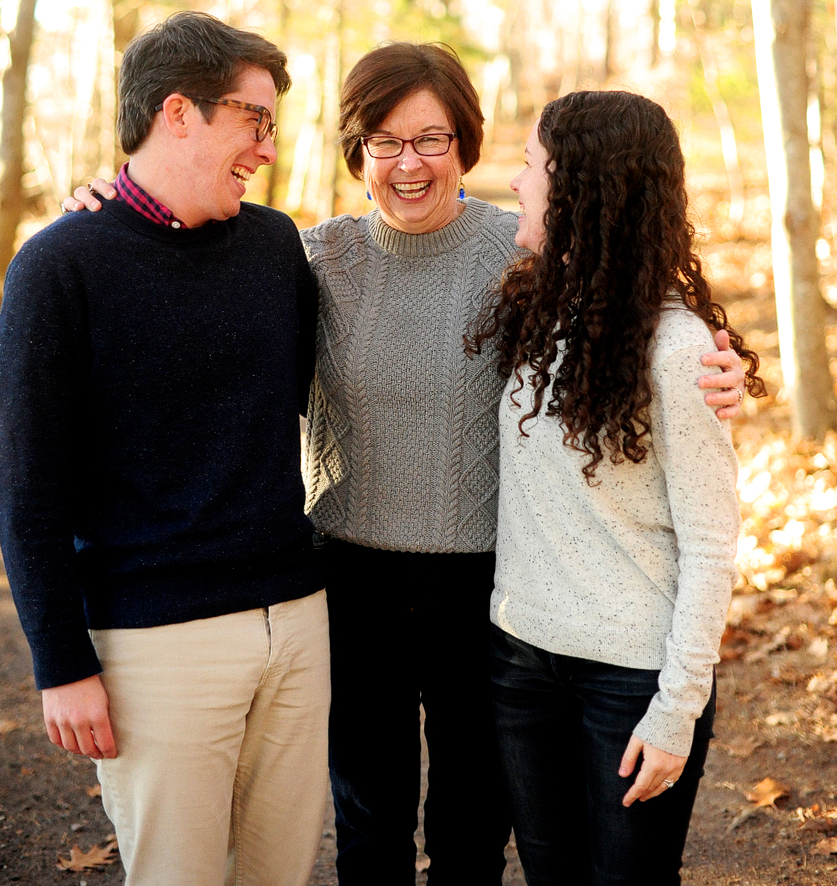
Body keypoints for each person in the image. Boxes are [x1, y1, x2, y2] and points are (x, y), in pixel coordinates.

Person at [68, 44, 748, 886]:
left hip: (493, 593)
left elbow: (639, 296)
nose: (409, 162)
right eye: (383, 142)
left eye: (431, 139)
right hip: (351, 584)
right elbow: (178, 250)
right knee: (369, 820)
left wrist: (722, 367)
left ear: (465, 145)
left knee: (472, 826)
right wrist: (103, 204)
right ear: (356, 154)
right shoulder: (307, 259)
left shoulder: (531, 251)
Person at [0, 12, 330, 886]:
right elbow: (28, 488)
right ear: (179, 112)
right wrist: (60, 661)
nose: (265, 146)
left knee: (279, 874)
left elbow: (306, 396)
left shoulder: (273, 245)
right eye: (254, 120)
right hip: (157, 643)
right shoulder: (58, 267)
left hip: (294, 622)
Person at [469, 90, 765, 886]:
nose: (515, 182)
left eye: (531, 166)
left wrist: (676, 710)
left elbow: (711, 540)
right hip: (522, 664)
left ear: (578, 190)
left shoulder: (676, 346)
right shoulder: (539, 308)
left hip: (629, 683)